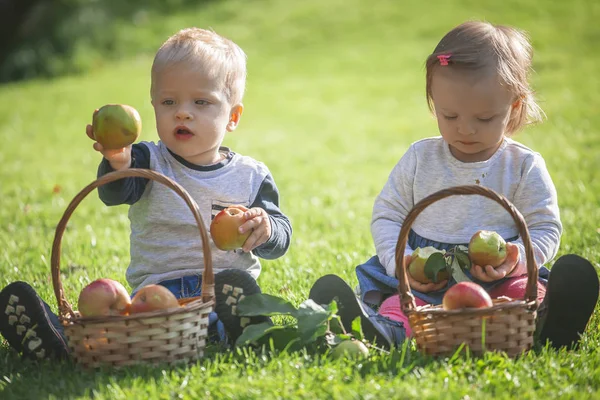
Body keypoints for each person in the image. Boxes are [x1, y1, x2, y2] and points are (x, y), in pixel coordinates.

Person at [0, 27, 292, 360]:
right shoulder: (147, 160)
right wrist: (117, 160)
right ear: (153, 105)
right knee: (119, 325)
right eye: (169, 102)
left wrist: (266, 227)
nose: (182, 112)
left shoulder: (250, 176)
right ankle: (57, 339)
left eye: (201, 102)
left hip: (223, 292)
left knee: (225, 313)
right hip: (155, 296)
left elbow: (281, 236)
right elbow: (113, 194)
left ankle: (244, 329)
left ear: (233, 117)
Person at [310, 21, 599, 350]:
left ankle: (548, 323)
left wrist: (518, 258)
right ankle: (383, 330)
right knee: (402, 305)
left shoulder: (522, 165)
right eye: (449, 116)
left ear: (514, 106)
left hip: (499, 279)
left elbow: (544, 225)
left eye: (484, 118)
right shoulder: (420, 158)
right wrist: (400, 261)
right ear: (434, 102)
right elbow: (388, 214)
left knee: (523, 296)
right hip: (427, 282)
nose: (466, 129)